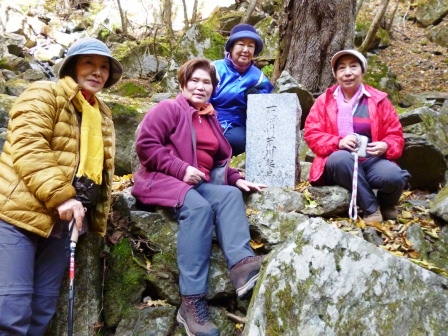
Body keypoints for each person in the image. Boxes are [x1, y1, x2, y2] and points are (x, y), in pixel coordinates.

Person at [132, 58, 267, 336]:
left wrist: (236, 178)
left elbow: (218, 162)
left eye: (206, 82)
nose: (200, 86)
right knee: (199, 208)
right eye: (194, 80)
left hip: (197, 183)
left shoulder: (210, 116)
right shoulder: (169, 108)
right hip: (163, 180)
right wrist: (180, 168)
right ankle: (191, 302)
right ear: (183, 83)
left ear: (213, 89)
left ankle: (242, 266)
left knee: (230, 196)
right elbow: (145, 146)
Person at [0, 37, 122, 335]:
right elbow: (29, 146)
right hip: (17, 217)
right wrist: (63, 197)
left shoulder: (100, 115)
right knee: (11, 310)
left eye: (104, 67)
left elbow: (99, 172)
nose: (97, 71)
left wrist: (91, 216)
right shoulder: (44, 93)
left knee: (42, 310)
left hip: (63, 224)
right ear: (71, 66)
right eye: (89, 63)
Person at [304, 49, 410, 224]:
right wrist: (338, 141)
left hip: (370, 160)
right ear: (335, 74)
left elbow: (396, 135)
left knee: (395, 176)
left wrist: (386, 146)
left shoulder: (379, 100)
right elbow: (312, 134)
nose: (348, 73)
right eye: (342, 68)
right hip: (338, 164)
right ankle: (370, 207)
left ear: (362, 71)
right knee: (342, 158)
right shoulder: (324, 101)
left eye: (353, 67)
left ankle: (387, 204)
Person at [210, 23, 274, 156]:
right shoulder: (215, 69)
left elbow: (267, 110)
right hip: (210, 120)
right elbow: (200, 97)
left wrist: (257, 99)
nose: (245, 50)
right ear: (231, 47)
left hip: (238, 126)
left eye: (250, 46)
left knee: (238, 141)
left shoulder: (258, 77)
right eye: (241, 44)